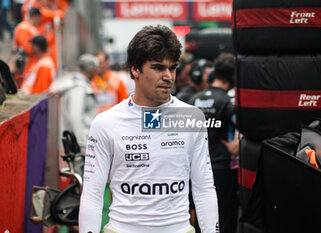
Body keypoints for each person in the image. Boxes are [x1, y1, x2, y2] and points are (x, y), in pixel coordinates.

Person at [79, 25, 219, 233]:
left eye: (172, 68)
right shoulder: (106, 123)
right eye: (158, 67)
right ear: (135, 69)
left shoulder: (192, 118)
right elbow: (92, 194)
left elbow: (204, 188)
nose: (168, 76)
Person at [189, 52, 239, 233]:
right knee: (222, 218)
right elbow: (241, 128)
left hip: (194, 167)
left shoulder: (194, 99)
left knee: (197, 219)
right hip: (220, 167)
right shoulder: (227, 101)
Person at [49, 53, 98, 149]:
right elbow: (75, 117)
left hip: (77, 141)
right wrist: (82, 144)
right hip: (80, 143)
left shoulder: (73, 84)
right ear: (92, 70)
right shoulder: (79, 88)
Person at [13, 7, 41, 76]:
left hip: (29, 65)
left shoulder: (31, 27)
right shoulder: (24, 28)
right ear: (36, 16)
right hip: (24, 66)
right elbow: (26, 47)